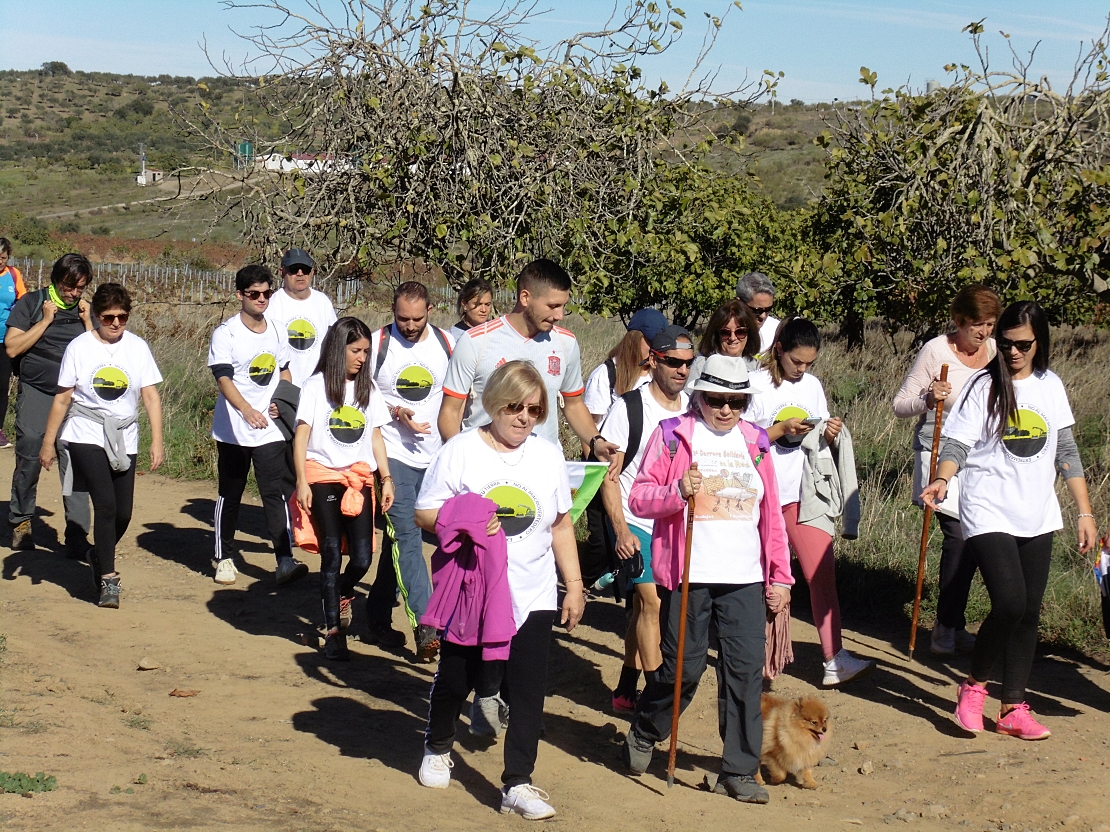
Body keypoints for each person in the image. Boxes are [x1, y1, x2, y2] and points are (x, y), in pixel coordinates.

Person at [415, 360, 584, 821]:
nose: (523, 417)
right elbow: (424, 512)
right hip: (474, 594)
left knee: (528, 692)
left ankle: (518, 783)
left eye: (534, 409)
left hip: (533, 593)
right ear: (493, 403)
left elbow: (561, 525)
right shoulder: (463, 451)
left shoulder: (548, 456)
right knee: (456, 678)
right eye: (514, 406)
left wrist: (573, 585)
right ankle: (437, 744)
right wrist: (465, 517)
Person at [622, 354, 793, 804]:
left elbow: (771, 515)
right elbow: (639, 498)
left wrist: (781, 575)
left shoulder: (756, 442)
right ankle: (646, 728)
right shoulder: (674, 436)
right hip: (688, 574)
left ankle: (738, 770)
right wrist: (675, 492)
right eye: (715, 398)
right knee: (686, 668)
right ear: (698, 394)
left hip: (745, 579)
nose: (724, 409)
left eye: (735, 401)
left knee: (744, 674)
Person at [923, 301, 1097, 741]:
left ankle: (1013, 706)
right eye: (1006, 343)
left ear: (1040, 343)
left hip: (1037, 513)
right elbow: (957, 444)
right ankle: (974, 686)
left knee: (1029, 613)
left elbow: (1066, 453)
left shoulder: (1050, 386)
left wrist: (1085, 512)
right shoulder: (983, 387)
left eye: (1023, 345)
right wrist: (943, 480)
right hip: (988, 509)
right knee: (1009, 603)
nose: (1014, 352)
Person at [745, 318, 873, 685]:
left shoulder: (813, 385)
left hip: (805, 493)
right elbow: (744, 442)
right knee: (764, 578)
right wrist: (780, 430)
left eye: (809, 363)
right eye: (797, 362)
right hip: (764, 495)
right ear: (779, 349)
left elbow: (817, 438)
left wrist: (830, 433)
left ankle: (834, 657)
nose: (802, 370)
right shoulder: (755, 385)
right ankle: (757, 654)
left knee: (821, 571)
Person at [38, 284, 163, 608]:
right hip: (86, 433)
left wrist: (157, 441)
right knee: (105, 506)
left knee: (123, 513)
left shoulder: (137, 348)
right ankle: (109, 579)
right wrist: (49, 443)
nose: (116, 323)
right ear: (96, 315)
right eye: (109, 317)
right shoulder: (80, 347)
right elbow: (63, 397)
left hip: (125, 436)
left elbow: (150, 395)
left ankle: (97, 552)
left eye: (122, 317)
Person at [893, 285, 1000, 656]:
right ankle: (944, 626)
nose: (984, 333)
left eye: (990, 324)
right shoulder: (936, 351)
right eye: (977, 325)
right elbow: (899, 405)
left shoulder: (995, 352)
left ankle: (951, 621)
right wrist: (928, 398)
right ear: (959, 321)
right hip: (938, 450)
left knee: (975, 539)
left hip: (982, 457)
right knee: (957, 535)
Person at [437, 258, 617, 462]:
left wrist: (596, 441)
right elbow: (450, 412)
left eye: (563, 306)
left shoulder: (565, 343)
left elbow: (573, 404)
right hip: (484, 465)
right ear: (525, 297)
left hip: (541, 467)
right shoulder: (476, 341)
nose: (559, 315)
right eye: (552, 306)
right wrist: (459, 459)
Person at [600, 325, 692, 713]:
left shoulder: (694, 410)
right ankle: (658, 699)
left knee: (642, 609)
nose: (682, 371)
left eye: (688, 364)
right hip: (635, 519)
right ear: (653, 360)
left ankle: (624, 689)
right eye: (673, 362)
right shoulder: (627, 407)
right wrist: (620, 530)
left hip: (673, 523)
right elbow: (608, 475)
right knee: (652, 603)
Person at [363, 281, 455, 661]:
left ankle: (375, 613)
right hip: (391, 455)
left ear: (430, 311)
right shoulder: (376, 345)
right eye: (402, 318)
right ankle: (427, 624)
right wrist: (396, 412)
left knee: (399, 541)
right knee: (406, 535)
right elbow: (359, 397)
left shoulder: (448, 345)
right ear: (392, 310)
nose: (410, 325)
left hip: (436, 459)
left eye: (417, 318)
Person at [294, 317, 394, 661]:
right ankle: (334, 632)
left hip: (359, 477)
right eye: (356, 350)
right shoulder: (315, 387)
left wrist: (386, 478)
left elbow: (377, 436)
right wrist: (302, 482)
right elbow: (302, 435)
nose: (362, 358)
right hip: (321, 475)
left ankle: (341, 592)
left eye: (366, 351)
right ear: (339, 350)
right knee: (332, 551)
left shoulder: (370, 390)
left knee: (363, 558)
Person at [208, 264, 308, 586]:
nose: (261, 299)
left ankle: (284, 560)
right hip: (233, 429)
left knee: (274, 492)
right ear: (240, 295)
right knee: (231, 493)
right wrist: (246, 409)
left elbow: (284, 370)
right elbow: (223, 379)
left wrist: (282, 400)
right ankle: (223, 557)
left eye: (266, 293)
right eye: (254, 294)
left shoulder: (278, 330)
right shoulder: (226, 334)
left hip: (268, 428)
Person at [5, 253, 92, 555]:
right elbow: (13, 348)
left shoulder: (85, 311)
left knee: (76, 459)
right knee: (30, 447)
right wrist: (45, 320)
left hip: (74, 396)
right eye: (69, 287)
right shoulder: (31, 303)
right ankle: (21, 520)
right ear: (57, 280)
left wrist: (88, 321)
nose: (74, 294)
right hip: (38, 389)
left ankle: (78, 532)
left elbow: (101, 353)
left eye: (80, 288)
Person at [264, 248, 337, 387]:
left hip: (318, 386)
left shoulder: (323, 302)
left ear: (312, 272)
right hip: (285, 388)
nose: (300, 274)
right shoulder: (271, 306)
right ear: (282, 272)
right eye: (293, 269)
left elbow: (334, 342)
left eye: (305, 269)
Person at [582, 308, 667, 427]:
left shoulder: (661, 373)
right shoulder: (606, 375)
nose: (655, 349)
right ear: (633, 338)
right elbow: (590, 429)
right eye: (651, 341)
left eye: (660, 344)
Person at [686, 298, 761, 394]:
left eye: (740, 332)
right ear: (716, 334)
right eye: (725, 332)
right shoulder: (701, 366)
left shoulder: (757, 368)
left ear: (749, 333)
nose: (733, 338)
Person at [0, 238, 28, 449]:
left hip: (5, 340)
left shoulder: (13, 275)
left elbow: (23, 302)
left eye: (3, 258)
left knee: (2, 385)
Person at [735, 272, 779, 355]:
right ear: (739, 304)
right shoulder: (725, 334)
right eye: (757, 311)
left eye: (768, 309)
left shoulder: (777, 330)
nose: (763, 316)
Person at [450, 276, 494, 343]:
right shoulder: (452, 337)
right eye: (478, 304)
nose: (483, 310)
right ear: (464, 304)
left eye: (487, 304)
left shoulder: (496, 333)